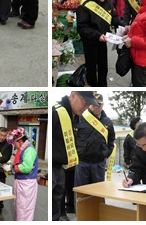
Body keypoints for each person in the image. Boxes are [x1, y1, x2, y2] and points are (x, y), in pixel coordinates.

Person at [52, 91, 99, 221]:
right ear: (73, 95)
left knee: (56, 206)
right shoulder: (56, 112)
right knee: (53, 206)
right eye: (85, 102)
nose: (86, 107)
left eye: (88, 105)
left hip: (62, 168)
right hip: (54, 167)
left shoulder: (73, 115)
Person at [76, 0, 124, 86]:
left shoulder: (108, 4)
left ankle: (102, 85)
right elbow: (82, 28)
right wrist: (97, 35)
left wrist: (125, 25)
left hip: (103, 42)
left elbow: (114, 19)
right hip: (90, 43)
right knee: (91, 67)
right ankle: (92, 85)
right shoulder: (85, 7)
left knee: (103, 67)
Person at [74, 93, 116, 188]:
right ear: (90, 104)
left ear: (103, 105)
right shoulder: (81, 118)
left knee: (98, 190)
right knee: (81, 190)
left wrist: (106, 154)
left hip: (99, 163)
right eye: (94, 104)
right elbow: (74, 137)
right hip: (82, 162)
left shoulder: (107, 122)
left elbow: (111, 141)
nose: (97, 107)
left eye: (99, 104)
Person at [7, 127, 38, 221]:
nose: (14, 145)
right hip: (21, 182)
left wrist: (12, 168)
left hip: (27, 184)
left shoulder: (29, 150)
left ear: (19, 141)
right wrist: (11, 165)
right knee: (19, 207)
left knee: (25, 208)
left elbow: (26, 167)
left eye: (14, 142)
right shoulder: (22, 149)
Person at [123, 117, 146, 184]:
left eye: (142, 122)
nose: (141, 124)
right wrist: (127, 162)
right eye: (139, 123)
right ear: (134, 125)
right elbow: (126, 150)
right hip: (134, 162)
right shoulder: (129, 137)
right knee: (135, 181)